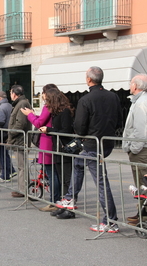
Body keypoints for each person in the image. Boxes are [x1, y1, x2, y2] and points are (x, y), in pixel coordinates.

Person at [56, 66, 122, 233]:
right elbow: (119, 120)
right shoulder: (113, 96)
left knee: (101, 182)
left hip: (92, 144)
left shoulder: (86, 99)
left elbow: (79, 126)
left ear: (89, 80)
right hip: (106, 142)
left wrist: (83, 134)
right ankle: (70, 197)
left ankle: (111, 221)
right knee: (78, 163)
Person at [22, 85, 61, 209]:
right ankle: (57, 198)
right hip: (52, 143)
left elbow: (39, 123)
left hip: (47, 143)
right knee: (54, 173)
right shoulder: (58, 106)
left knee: (51, 173)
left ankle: (54, 201)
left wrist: (29, 115)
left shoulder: (48, 106)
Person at [38, 85, 75, 218]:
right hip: (57, 148)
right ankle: (62, 205)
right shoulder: (56, 112)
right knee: (60, 177)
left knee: (66, 180)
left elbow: (65, 131)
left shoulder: (65, 111)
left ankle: (69, 208)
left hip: (65, 148)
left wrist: (49, 130)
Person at [122, 73, 147, 225]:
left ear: (136, 86)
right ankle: (141, 214)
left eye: (131, 83)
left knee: (143, 184)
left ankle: (144, 218)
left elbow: (141, 129)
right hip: (139, 149)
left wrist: (134, 148)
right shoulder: (138, 101)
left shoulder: (141, 103)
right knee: (141, 184)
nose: (130, 85)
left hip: (141, 150)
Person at [7, 85, 32, 197]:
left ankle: (23, 189)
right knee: (21, 166)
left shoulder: (21, 104)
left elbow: (20, 123)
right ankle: (22, 188)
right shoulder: (20, 103)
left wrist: (11, 132)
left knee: (22, 166)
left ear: (14, 94)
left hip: (20, 139)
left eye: (11, 93)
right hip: (19, 139)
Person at [0, 91, 16, 183]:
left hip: (1, 132)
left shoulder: (1, 108)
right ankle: (11, 170)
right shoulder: (9, 105)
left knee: (1, 154)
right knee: (5, 153)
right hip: (7, 131)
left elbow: (0, 121)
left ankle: (5, 175)